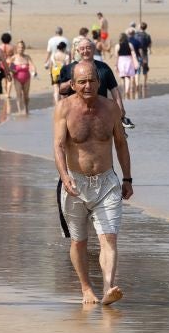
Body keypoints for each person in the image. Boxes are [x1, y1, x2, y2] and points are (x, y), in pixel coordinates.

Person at [54, 62, 133, 305]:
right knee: (79, 240)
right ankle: (86, 288)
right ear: (73, 84)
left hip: (106, 181)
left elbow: (121, 143)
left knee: (109, 238)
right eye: (82, 82)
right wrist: (65, 176)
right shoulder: (64, 109)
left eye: (92, 80)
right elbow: (58, 145)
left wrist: (127, 178)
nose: (87, 85)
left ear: (99, 82)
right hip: (75, 183)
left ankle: (109, 287)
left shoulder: (110, 108)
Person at [57, 37, 130, 129]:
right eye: (82, 49)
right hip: (76, 115)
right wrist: (73, 82)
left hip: (101, 114)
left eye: (88, 48)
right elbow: (62, 90)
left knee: (102, 140)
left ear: (93, 49)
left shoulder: (104, 68)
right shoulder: (68, 69)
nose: (85, 51)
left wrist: (121, 109)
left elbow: (114, 89)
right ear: (78, 51)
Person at [9, 41, 36, 115]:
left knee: (26, 95)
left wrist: (34, 71)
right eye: (19, 47)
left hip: (27, 78)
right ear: (17, 48)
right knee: (18, 94)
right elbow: (10, 68)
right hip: (17, 78)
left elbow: (32, 65)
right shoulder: (14, 58)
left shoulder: (27, 57)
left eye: (22, 47)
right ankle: (19, 110)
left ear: (24, 48)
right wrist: (13, 70)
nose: (21, 49)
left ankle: (26, 109)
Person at [115, 32, 138, 99]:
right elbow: (133, 54)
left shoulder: (117, 46)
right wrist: (135, 62)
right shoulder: (130, 45)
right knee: (128, 76)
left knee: (122, 77)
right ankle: (127, 90)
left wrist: (116, 65)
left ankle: (124, 89)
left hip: (121, 61)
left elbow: (116, 56)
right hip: (128, 60)